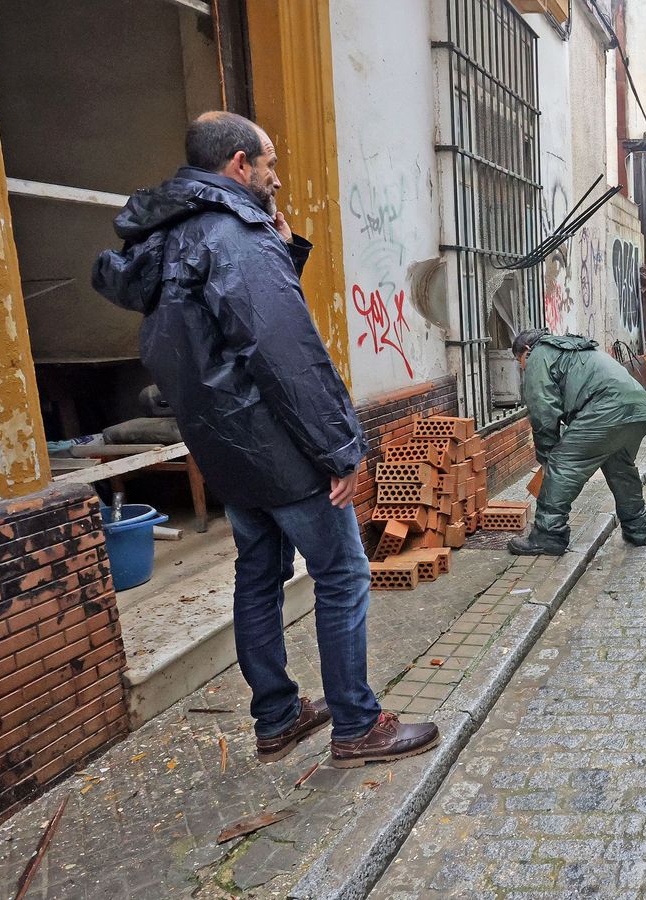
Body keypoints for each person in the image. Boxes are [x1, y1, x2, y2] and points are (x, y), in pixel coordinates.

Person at [93, 112, 438, 769]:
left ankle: (277, 718)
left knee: (258, 574)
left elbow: (215, 328)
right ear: (238, 166)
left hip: (222, 447)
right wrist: (339, 447)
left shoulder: (168, 239)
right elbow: (282, 351)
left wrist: (281, 249)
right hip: (276, 445)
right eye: (269, 165)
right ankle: (358, 726)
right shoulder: (234, 234)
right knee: (342, 573)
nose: (276, 179)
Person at [510, 329, 646, 555]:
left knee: (563, 464)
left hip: (607, 408)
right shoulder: (575, 348)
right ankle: (637, 528)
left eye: (519, 362)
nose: (522, 368)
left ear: (526, 351)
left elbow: (542, 409)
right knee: (619, 467)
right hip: (638, 407)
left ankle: (548, 535)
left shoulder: (538, 354)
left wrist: (548, 455)